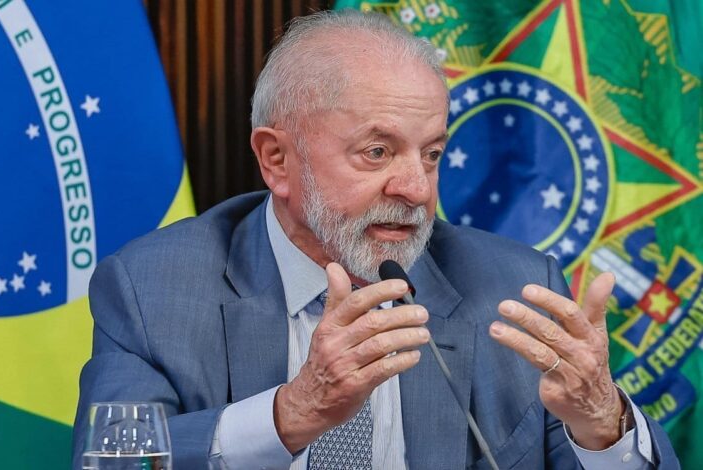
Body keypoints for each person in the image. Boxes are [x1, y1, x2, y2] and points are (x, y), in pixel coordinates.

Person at [72, 9, 678, 469]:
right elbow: (113, 460)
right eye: (377, 152)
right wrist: (291, 415)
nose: (416, 188)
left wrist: (603, 422)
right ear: (277, 160)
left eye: (432, 154)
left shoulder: (513, 288)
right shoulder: (152, 288)